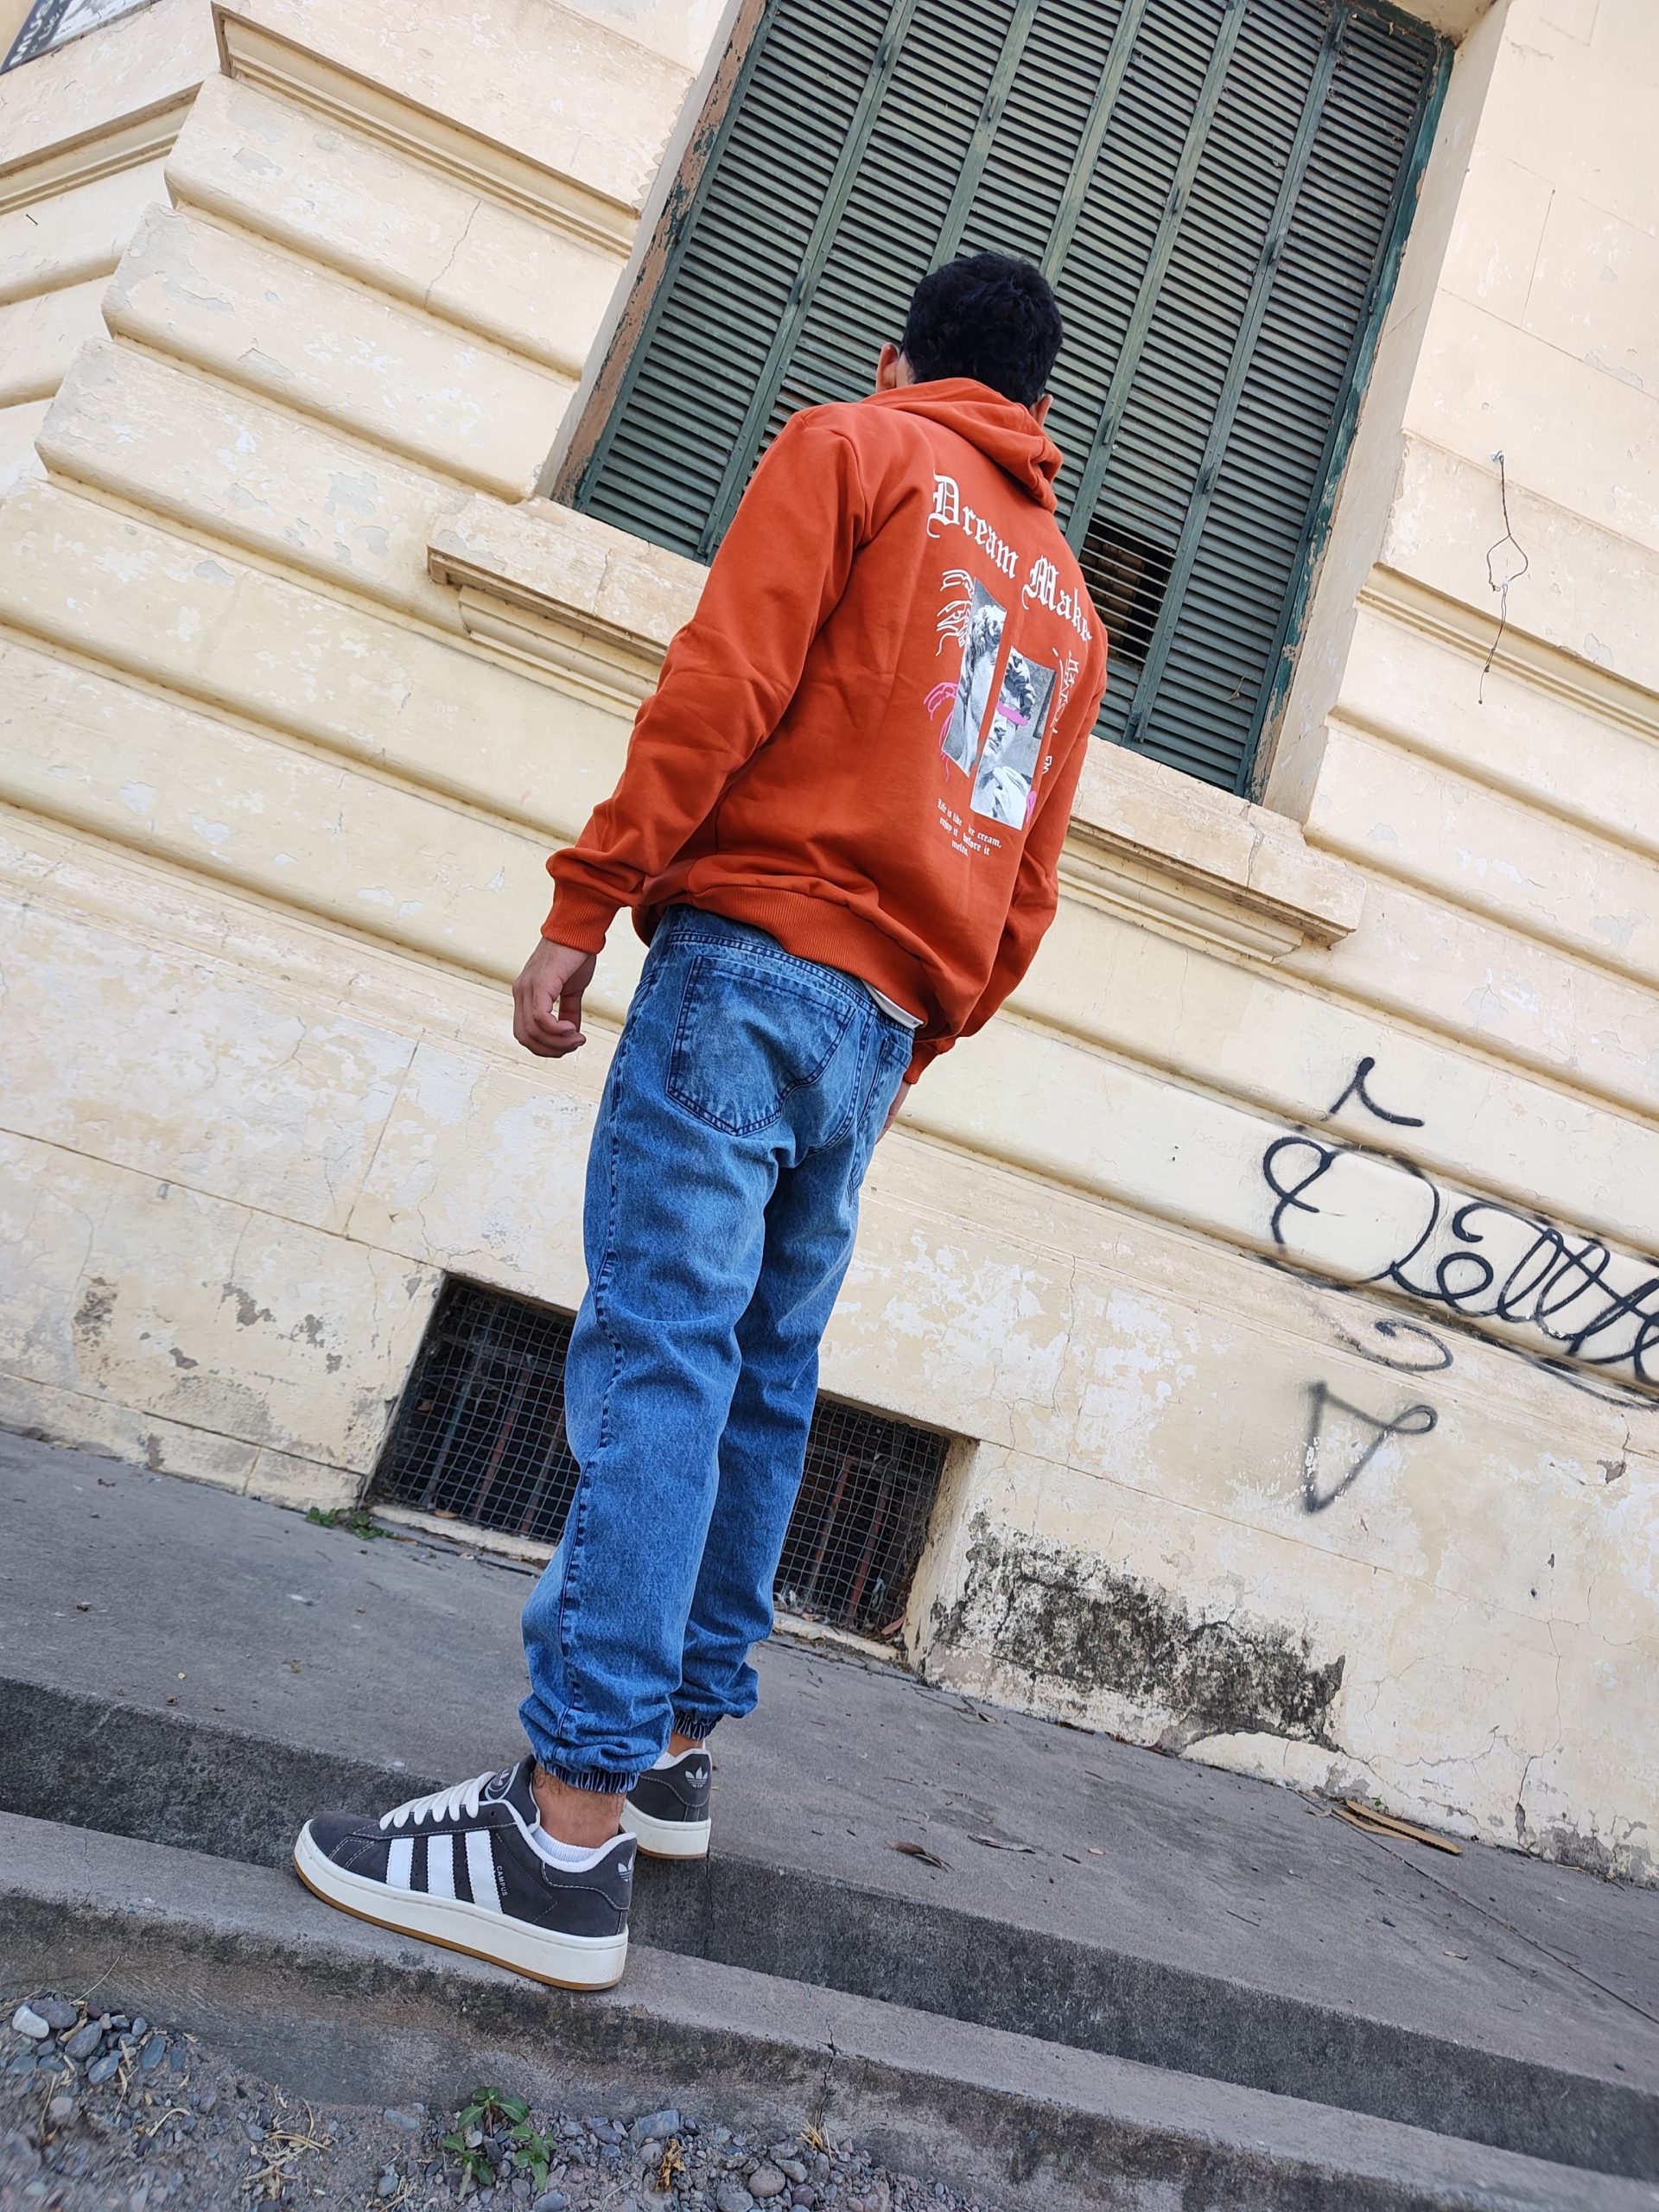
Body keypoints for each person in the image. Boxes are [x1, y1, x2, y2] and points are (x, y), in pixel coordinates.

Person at [293, 252, 1109, 1990]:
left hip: (750, 961)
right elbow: (1029, 882)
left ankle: (561, 1832)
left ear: (898, 355)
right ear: (1039, 410)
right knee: (763, 1373)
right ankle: (667, 1753)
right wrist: (913, 1028)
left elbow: (724, 680)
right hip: (882, 1015)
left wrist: (587, 900)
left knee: (664, 1357)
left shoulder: (854, 446)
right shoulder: (1068, 603)